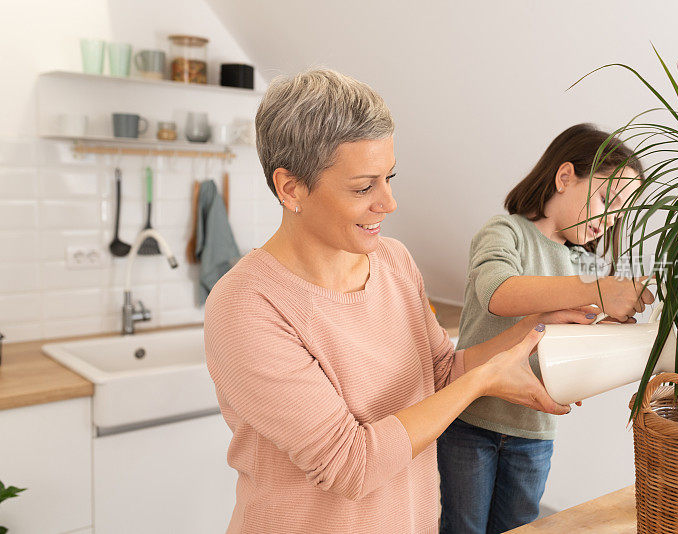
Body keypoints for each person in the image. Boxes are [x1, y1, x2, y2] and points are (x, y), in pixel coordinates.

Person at [204, 69, 595, 534]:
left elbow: (440, 373)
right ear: (291, 188)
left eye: (389, 177)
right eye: (363, 187)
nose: (388, 202)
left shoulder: (392, 260)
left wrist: (536, 325)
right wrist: (482, 383)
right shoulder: (247, 305)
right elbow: (351, 465)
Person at [437, 123, 654, 534]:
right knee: (463, 526)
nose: (610, 220)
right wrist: (595, 290)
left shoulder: (582, 264)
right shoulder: (505, 232)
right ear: (564, 176)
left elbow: (568, 338)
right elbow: (496, 292)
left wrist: (602, 330)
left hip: (534, 432)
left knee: (520, 526)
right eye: (607, 199)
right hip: (471, 421)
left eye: (621, 213)